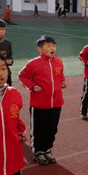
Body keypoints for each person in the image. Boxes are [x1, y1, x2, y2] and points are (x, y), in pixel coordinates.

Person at [18, 36, 66, 165]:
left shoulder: (58, 61)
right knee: (39, 130)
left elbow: (60, 74)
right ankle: (38, 152)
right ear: (40, 49)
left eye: (53, 46)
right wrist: (32, 86)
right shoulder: (33, 63)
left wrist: (62, 81)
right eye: (48, 46)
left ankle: (47, 150)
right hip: (39, 104)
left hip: (56, 103)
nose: (52, 48)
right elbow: (22, 76)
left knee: (52, 129)